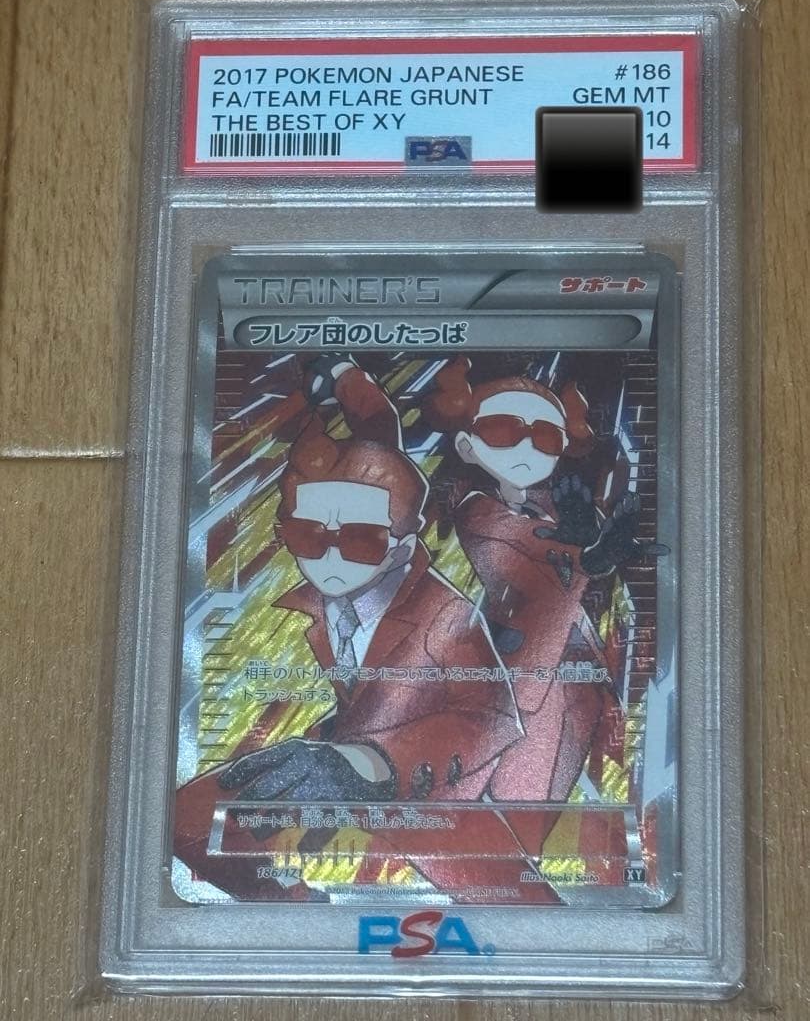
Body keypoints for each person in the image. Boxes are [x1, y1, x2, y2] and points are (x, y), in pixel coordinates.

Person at [174, 358, 558, 902]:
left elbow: (489, 717)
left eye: (359, 540)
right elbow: (378, 434)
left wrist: (371, 766)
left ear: (402, 546)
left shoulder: (443, 615)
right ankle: (299, 917)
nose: (330, 558)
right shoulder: (335, 576)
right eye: (310, 536)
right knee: (189, 817)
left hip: (426, 784)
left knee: (521, 906)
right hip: (343, 747)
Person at [422, 356, 648, 857]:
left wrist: (603, 548)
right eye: (504, 430)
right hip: (512, 680)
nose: (525, 447)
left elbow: (583, 562)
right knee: (499, 817)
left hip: (575, 680)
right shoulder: (475, 508)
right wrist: (589, 552)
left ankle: (517, 877)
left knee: (531, 822)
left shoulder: (560, 503)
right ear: (467, 445)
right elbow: (525, 564)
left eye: (544, 437)